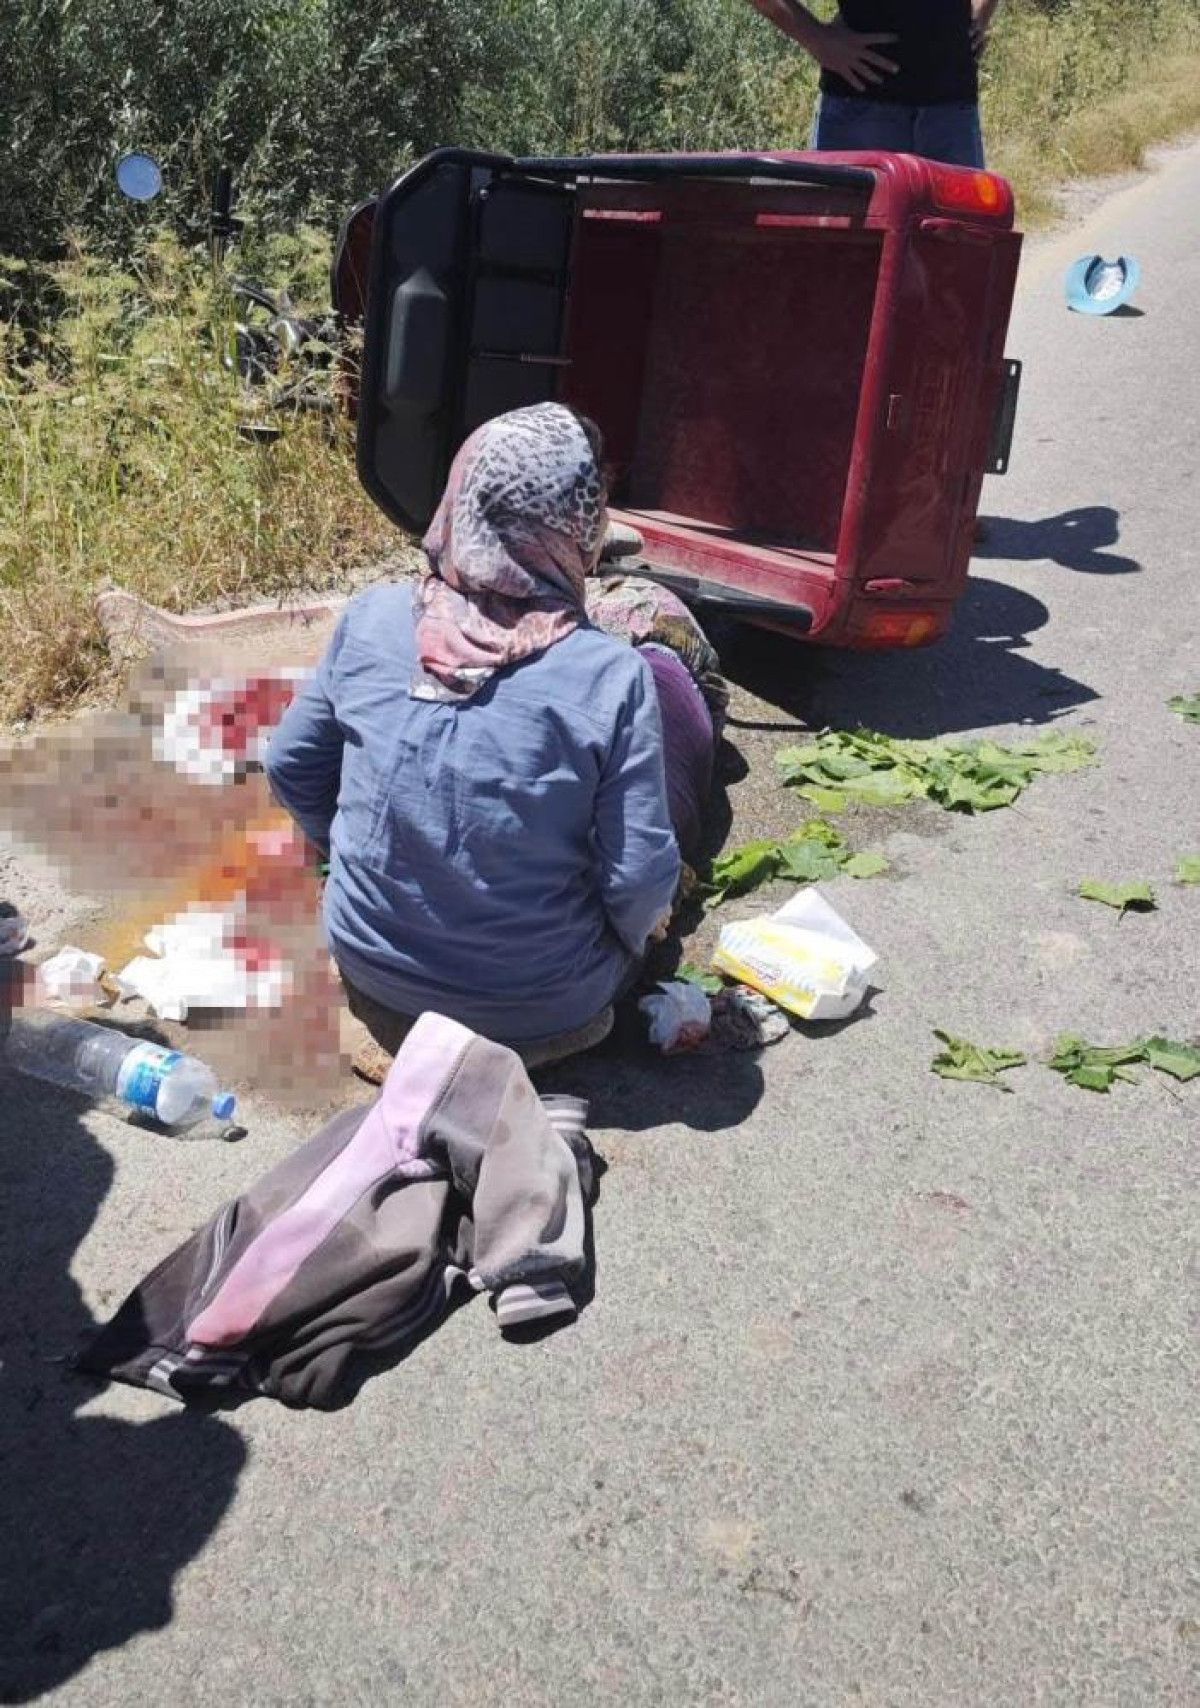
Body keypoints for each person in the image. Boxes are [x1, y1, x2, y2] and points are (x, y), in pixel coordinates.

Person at [266, 403, 716, 1078]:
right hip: (542, 1005)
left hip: (370, 963)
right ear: (581, 524)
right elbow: (637, 877)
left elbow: (289, 763)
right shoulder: (611, 675)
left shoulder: (371, 618)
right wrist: (633, 946)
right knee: (676, 704)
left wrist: (363, 858)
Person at [747, 0, 1003, 169]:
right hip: (860, 111)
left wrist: (980, 13)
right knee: (853, 239)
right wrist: (818, 39)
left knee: (958, 237)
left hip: (951, 111)